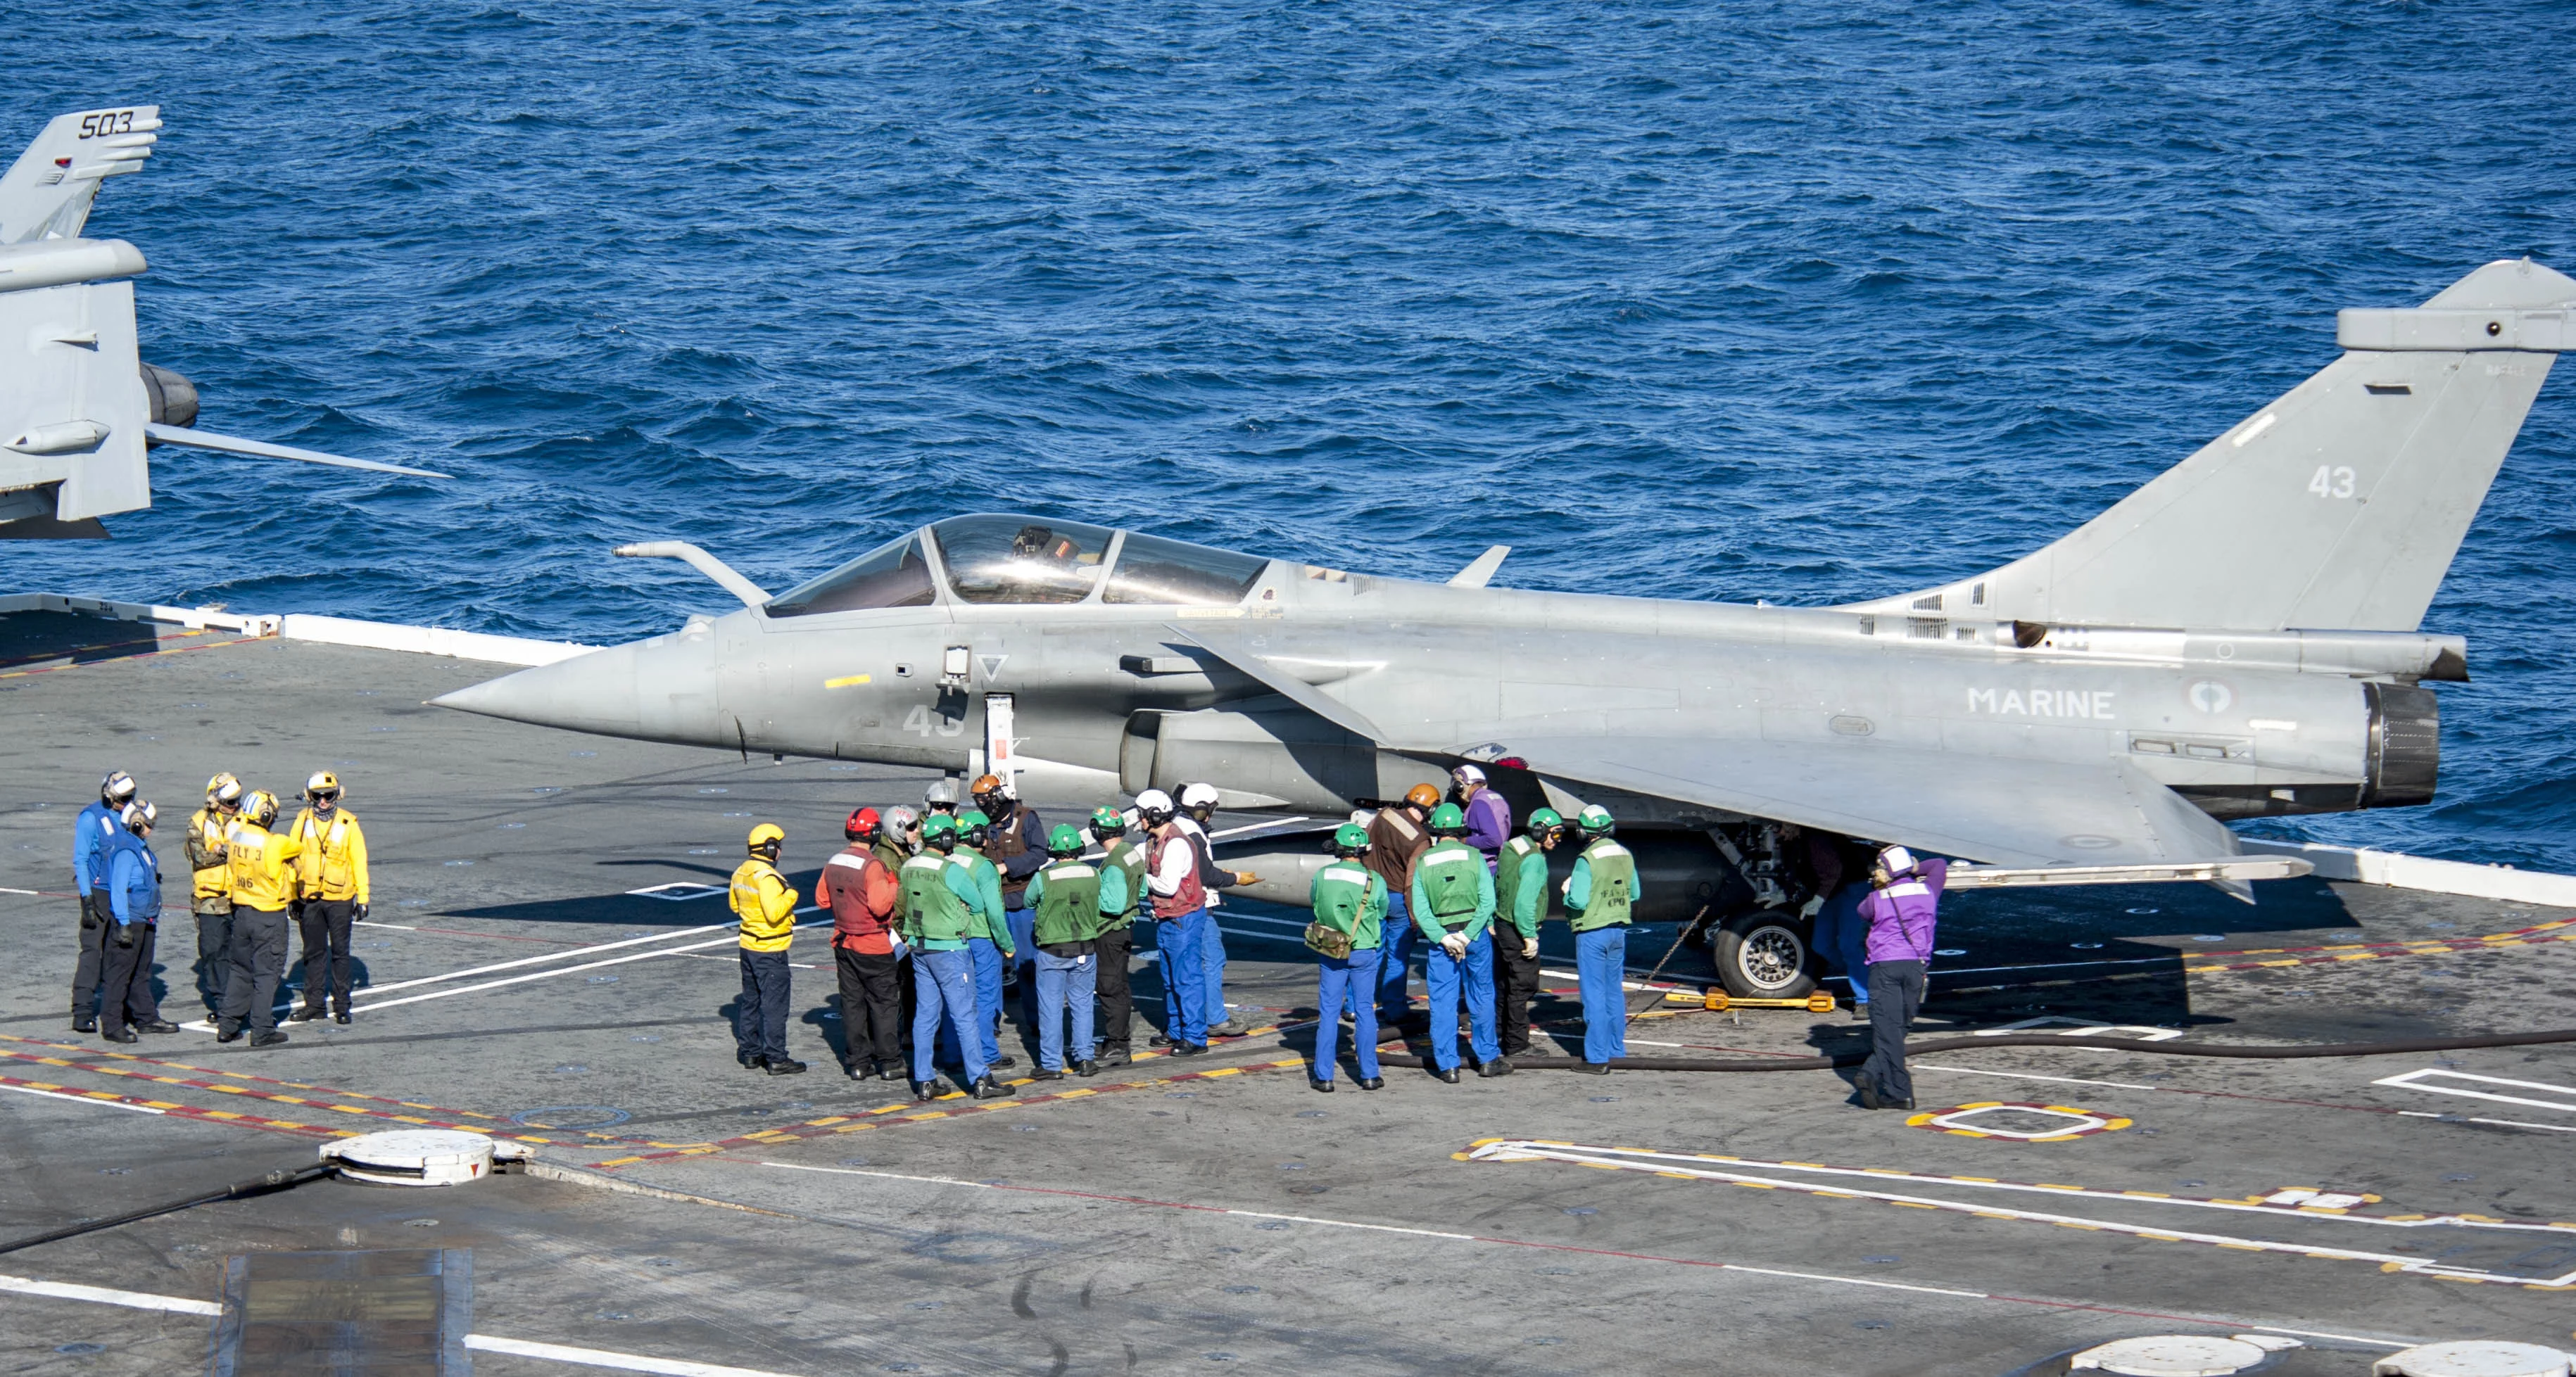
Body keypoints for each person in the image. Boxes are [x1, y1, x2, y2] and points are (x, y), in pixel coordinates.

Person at [901, 816, 1012, 1100]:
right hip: (950, 947)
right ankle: (980, 1078)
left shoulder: (909, 866)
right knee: (965, 1015)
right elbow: (976, 903)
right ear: (948, 840)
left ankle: (925, 1079)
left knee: (926, 1015)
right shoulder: (950, 870)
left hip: (920, 945)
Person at [1410, 803, 1502, 1082]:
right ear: (1461, 829)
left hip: (1442, 939)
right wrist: (1467, 935)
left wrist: (1444, 937)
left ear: (1436, 830)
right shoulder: (1474, 857)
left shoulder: (1424, 862)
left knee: (1442, 1002)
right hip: (1475, 937)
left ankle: (1448, 1066)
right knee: (1482, 996)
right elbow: (1488, 902)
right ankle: (1487, 1059)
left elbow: (1421, 910)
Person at [816, 807, 907, 1081]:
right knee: (884, 1004)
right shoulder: (872, 866)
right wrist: (893, 886)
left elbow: (822, 900)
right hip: (874, 945)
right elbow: (880, 907)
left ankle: (858, 1063)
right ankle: (890, 1062)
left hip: (844, 944)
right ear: (875, 834)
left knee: (853, 1004)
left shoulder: (834, 861)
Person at [1855, 845, 1947, 1111]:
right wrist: (1914, 867)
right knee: (1900, 1028)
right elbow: (1939, 864)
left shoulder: (1879, 898)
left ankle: (1899, 1093)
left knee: (1887, 1031)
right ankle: (1871, 1072)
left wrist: (1879, 886)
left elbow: (1862, 912)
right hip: (1916, 967)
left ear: (1888, 871)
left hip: (1885, 967)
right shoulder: (1928, 891)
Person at [1020, 825, 1108, 1079]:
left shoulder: (1044, 877)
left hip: (1053, 951)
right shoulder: (1094, 874)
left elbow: (1028, 901)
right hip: (1086, 949)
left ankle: (1051, 1064)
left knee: (1051, 1008)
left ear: (1054, 850)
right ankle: (1085, 1059)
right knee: (1082, 1005)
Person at [1306, 823, 1387, 1093]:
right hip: (1363, 950)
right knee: (1365, 1011)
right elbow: (1382, 909)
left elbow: (1316, 904)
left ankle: (1324, 1077)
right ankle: (1369, 1075)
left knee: (1329, 1013)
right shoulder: (1374, 880)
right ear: (1362, 850)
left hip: (1332, 949)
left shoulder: (1322, 875)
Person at [218, 789, 301, 1048]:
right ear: (267, 815)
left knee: (240, 970)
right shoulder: (276, 842)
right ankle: (262, 1029)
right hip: (269, 915)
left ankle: (228, 1026)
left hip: (242, 912)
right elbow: (298, 846)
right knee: (267, 973)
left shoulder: (238, 836)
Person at [286, 772, 370, 1026]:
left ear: (337, 796)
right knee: (313, 953)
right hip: (309, 898)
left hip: (340, 899)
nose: (323, 801)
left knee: (341, 954)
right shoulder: (302, 821)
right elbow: (290, 858)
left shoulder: (348, 823)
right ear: (310, 796)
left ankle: (342, 1005)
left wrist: (363, 897)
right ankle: (314, 1005)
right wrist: (291, 895)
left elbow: (359, 860)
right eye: (318, 796)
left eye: (328, 796)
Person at [1560, 804, 1638, 1074]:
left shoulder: (1587, 860)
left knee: (1593, 994)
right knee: (1614, 992)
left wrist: (1566, 893)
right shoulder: (1625, 854)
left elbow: (1578, 900)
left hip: (1593, 932)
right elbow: (1635, 893)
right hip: (1618, 931)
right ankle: (1617, 1051)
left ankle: (1596, 1058)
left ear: (1583, 832)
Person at [1175, 782, 1257, 1036]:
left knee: (1185, 964)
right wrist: (1235, 878)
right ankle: (1216, 1018)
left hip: (1180, 904)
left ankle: (1186, 1019)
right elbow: (1205, 874)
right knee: (1212, 960)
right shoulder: (1194, 833)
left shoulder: (1178, 826)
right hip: (1197, 906)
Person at [96, 801, 179, 1043]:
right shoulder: (126, 850)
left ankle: (146, 1018)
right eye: (149, 825)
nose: (151, 830)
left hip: (145, 918)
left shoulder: (138, 846)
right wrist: (123, 924)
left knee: (141, 972)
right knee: (119, 975)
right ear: (136, 823)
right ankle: (112, 1025)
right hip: (131, 920)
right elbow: (119, 889)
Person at [1137, 789, 1209, 1056]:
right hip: (1169, 918)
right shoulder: (1156, 841)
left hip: (1183, 918)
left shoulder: (1176, 844)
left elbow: (1167, 886)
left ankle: (1195, 1037)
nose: (1140, 819)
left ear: (1155, 815)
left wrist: (1138, 879)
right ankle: (1177, 1029)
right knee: (1170, 979)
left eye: (1143, 814)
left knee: (1186, 979)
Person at [730, 823, 806, 1076]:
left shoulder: (741, 872)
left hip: (748, 945)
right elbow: (774, 913)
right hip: (770, 949)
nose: (780, 852)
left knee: (751, 1001)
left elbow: (734, 906)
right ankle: (776, 1057)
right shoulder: (769, 878)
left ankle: (750, 1053)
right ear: (770, 848)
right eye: (778, 847)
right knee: (775, 1006)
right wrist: (791, 895)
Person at [973, 773, 1047, 1031]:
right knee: (990, 968)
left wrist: (1008, 867)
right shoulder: (982, 824)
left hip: (1020, 903)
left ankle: (1036, 1021)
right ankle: (988, 1024)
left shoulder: (1026, 819)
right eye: (977, 801)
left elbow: (1040, 853)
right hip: (992, 903)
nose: (982, 806)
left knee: (1027, 965)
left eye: (984, 800)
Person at [1365, 782, 1439, 1031]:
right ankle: (1395, 1010)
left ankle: (1356, 1007)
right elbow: (1412, 883)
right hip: (1398, 899)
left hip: (1373, 892)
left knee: (1370, 954)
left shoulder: (1383, 814)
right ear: (1431, 809)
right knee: (1396, 959)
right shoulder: (1420, 839)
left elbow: (1364, 847)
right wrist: (1416, 918)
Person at [946, 809, 1016, 1070]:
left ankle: (953, 1055)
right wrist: (1007, 944)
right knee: (985, 997)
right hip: (981, 938)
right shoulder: (983, 867)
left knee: (955, 998)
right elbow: (995, 912)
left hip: (952, 939)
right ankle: (986, 1052)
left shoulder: (948, 860)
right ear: (977, 836)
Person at [70, 769, 138, 1032]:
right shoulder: (91, 818)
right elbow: (81, 859)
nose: (127, 804)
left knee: (121, 953)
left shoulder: (131, 816)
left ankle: (120, 1006)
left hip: (123, 893)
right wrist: (87, 899)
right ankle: (82, 1009)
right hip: (98, 893)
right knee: (92, 952)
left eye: (131, 798)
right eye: (123, 799)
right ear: (109, 797)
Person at [1492, 807, 1562, 1061]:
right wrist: (1529, 936)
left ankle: (1499, 1037)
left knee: (1503, 986)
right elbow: (1524, 904)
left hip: (1501, 925)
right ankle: (1518, 1045)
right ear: (1540, 831)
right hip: (1517, 930)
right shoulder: (1534, 860)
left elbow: (1497, 884)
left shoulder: (1511, 849)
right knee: (1522, 989)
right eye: (1554, 835)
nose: (1557, 840)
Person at [1089, 806, 1147, 1065]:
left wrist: (1091, 895)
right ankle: (1115, 1041)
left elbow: (1113, 905)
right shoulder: (1131, 853)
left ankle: (1118, 1045)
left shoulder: (1113, 864)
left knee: (1109, 988)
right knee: (1120, 986)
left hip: (1110, 932)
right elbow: (1142, 891)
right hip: (1126, 929)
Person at [185, 774, 243, 1017]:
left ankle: (241, 1003)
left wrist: (218, 848)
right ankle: (222, 1004)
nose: (235, 806)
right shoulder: (198, 822)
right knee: (212, 952)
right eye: (230, 802)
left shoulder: (246, 820)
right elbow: (199, 857)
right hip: (209, 901)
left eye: (237, 801)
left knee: (241, 954)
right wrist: (229, 850)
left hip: (240, 898)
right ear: (215, 801)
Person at [1453, 765, 1510, 867]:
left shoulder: (1478, 803)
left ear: (1462, 784)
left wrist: (1465, 841)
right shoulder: (1495, 797)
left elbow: (1494, 840)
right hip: (1499, 861)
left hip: (1487, 866)